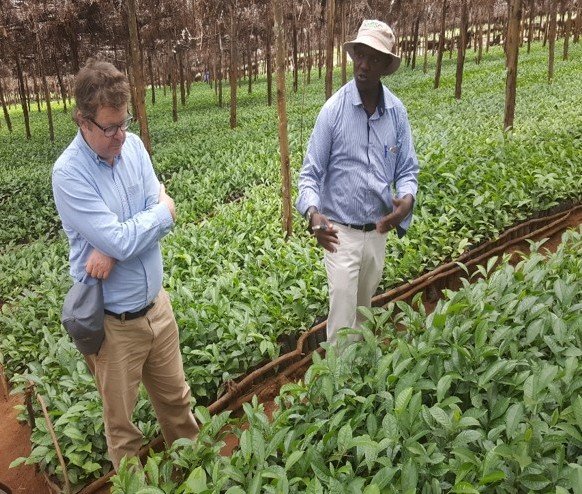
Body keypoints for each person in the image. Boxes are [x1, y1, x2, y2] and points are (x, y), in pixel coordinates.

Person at [52, 59, 198, 470]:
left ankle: (197, 475)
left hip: (158, 308)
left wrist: (115, 244)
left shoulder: (132, 147)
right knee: (123, 429)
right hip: (115, 327)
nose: (120, 135)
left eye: (124, 123)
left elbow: (133, 221)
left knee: (178, 405)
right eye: (109, 127)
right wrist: (159, 216)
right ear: (83, 121)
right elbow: (153, 213)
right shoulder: (68, 174)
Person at [296, 20, 419, 347]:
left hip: (378, 232)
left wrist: (407, 200)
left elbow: (407, 168)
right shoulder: (333, 111)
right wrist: (312, 215)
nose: (363, 64)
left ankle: (360, 380)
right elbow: (310, 174)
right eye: (359, 55)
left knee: (364, 313)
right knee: (341, 319)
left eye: (372, 58)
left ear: (384, 65)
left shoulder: (396, 113)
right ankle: (337, 388)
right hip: (341, 234)